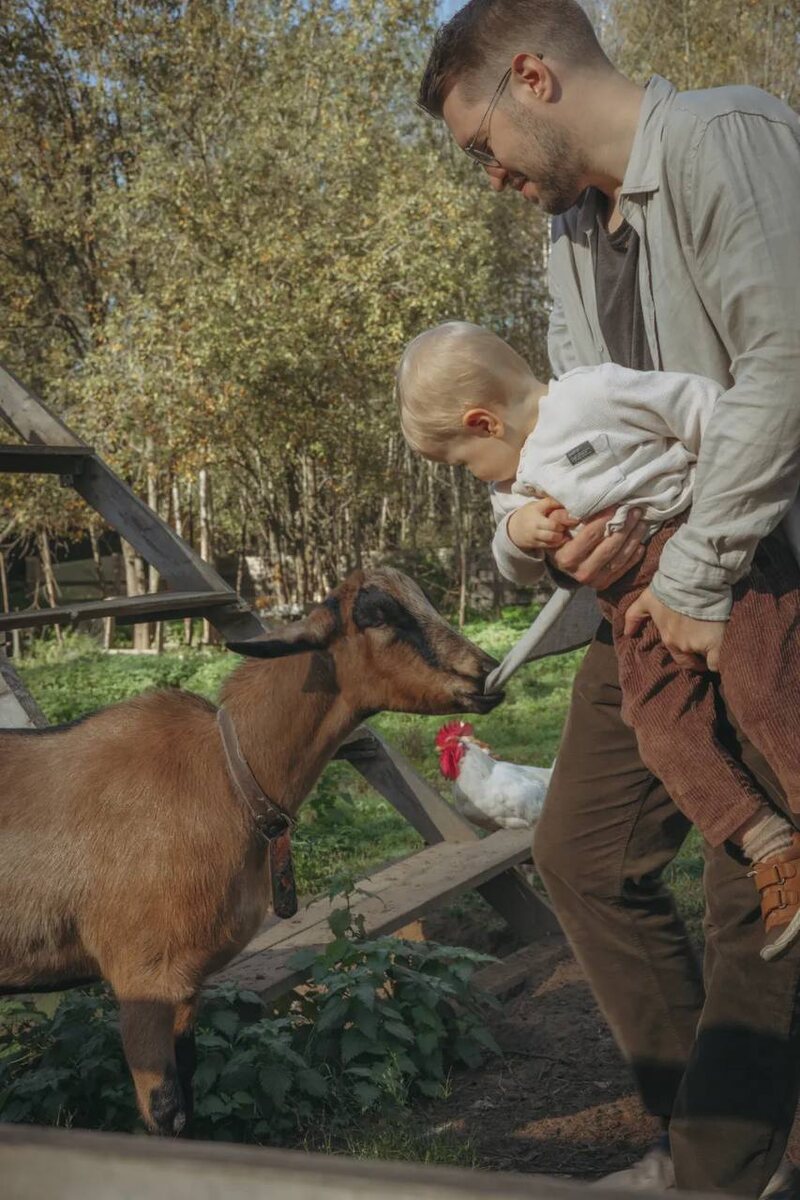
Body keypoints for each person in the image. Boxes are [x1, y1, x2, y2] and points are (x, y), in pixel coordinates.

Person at [416, 1, 800, 1195]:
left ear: (531, 75)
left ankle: (718, 1170)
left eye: (480, 143)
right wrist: (567, 546)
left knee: (759, 881)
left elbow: (783, 363)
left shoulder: (724, 139)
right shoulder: (570, 233)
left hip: (763, 577)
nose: (484, 175)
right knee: (579, 852)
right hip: (647, 593)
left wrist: (691, 573)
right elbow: (588, 428)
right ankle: (708, 1137)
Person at [397, 318, 800, 959]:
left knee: (761, 686)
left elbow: (710, 413)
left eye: (463, 464)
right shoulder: (514, 491)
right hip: (630, 606)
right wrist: (520, 536)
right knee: (659, 724)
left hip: (717, 555)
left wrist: (708, 504)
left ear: (483, 423)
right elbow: (513, 560)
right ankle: (766, 840)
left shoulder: (593, 397)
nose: (476, 478)